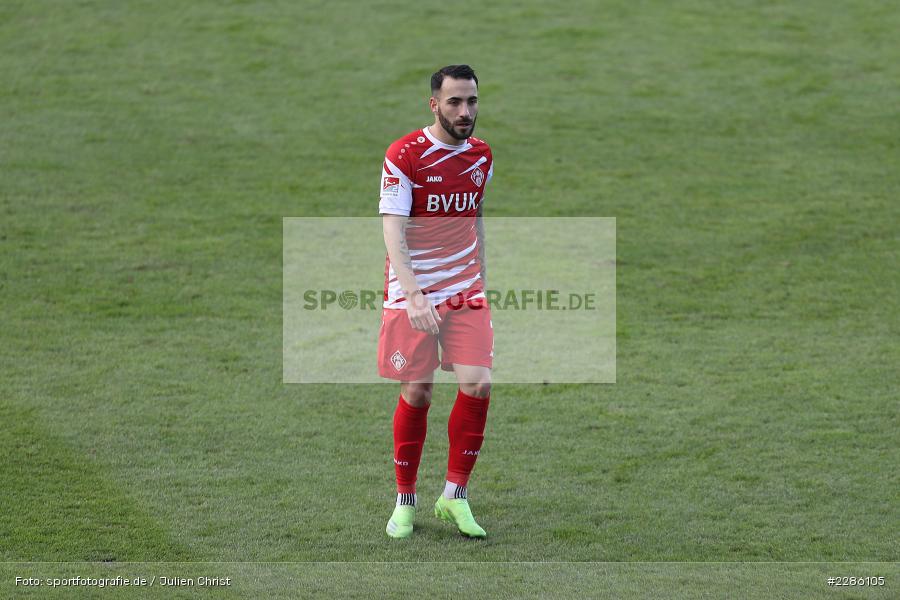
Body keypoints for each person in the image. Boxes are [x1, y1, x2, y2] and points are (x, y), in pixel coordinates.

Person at [377, 64, 494, 539]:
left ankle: (454, 496)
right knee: (417, 392)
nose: (465, 112)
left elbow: (476, 214)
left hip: (466, 291)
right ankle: (405, 500)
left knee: (479, 384)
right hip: (414, 294)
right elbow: (392, 228)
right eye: (454, 102)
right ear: (434, 104)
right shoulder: (403, 155)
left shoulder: (482, 155)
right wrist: (414, 294)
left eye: (471, 102)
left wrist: (482, 274)